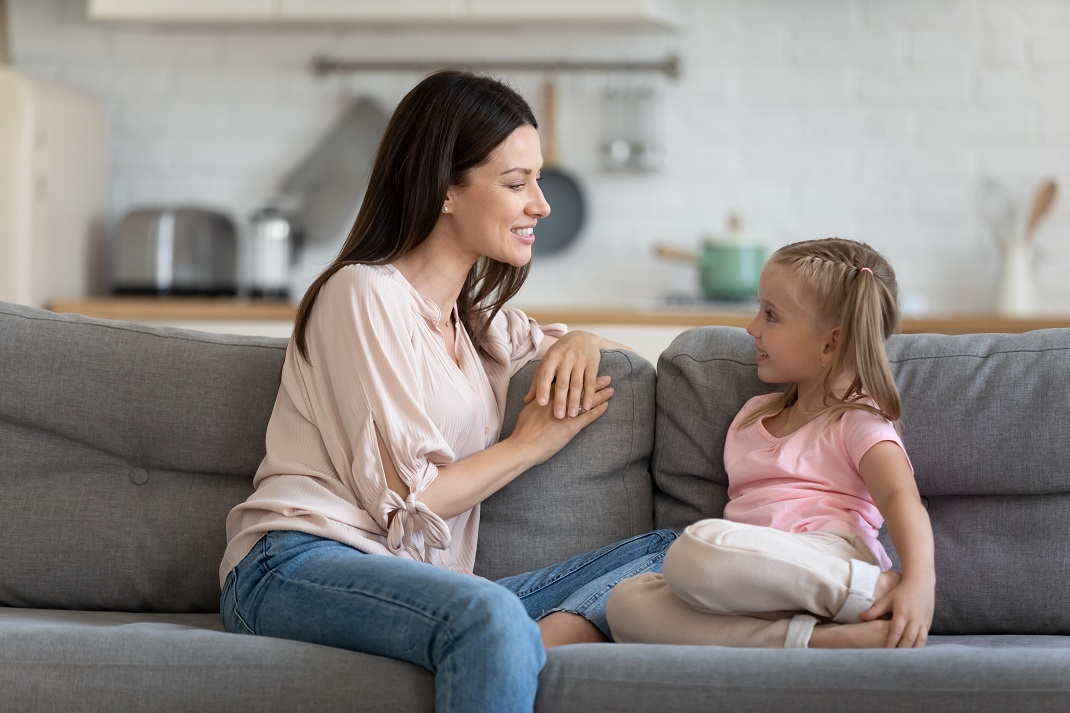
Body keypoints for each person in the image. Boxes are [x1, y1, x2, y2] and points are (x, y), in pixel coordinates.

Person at [218, 69, 677, 713]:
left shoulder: (477, 326)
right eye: (517, 184)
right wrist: (527, 446)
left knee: (673, 553)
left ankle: (516, 646)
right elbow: (409, 506)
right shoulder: (363, 292)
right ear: (445, 191)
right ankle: (503, 639)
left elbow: (627, 359)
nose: (540, 204)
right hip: (300, 564)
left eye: (537, 181)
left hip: (419, 583)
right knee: (487, 613)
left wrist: (584, 340)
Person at [607, 238, 935, 650]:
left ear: (830, 343)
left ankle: (871, 589)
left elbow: (902, 498)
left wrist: (920, 583)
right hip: (752, 582)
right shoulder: (751, 417)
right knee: (625, 603)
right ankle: (815, 641)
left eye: (771, 316)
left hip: (826, 558)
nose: (752, 328)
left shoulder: (856, 419)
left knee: (695, 549)